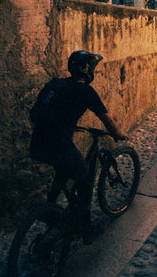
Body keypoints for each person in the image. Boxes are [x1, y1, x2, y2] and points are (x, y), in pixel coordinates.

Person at [29, 50, 128, 243]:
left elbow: (38, 111)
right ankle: (85, 227)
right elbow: (106, 118)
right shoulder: (86, 92)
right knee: (84, 178)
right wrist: (118, 134)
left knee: (62, 172)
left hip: (38, 144)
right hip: (59, 145)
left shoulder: (54, 84)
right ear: (88, 71)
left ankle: (51, 211)